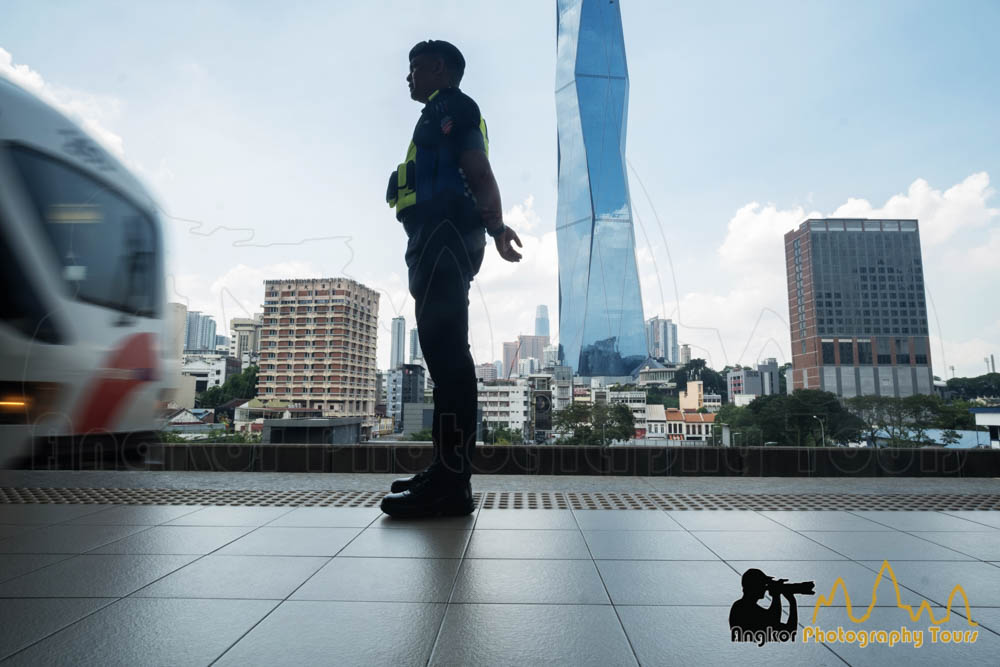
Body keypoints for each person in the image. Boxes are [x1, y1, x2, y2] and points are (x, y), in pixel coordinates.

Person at [380, 40, 522, 518]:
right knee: (444, 360)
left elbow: (477, 169)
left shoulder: (452, 106)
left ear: (439, 67)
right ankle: (445, 471)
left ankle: (451, 481)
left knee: (448, 358)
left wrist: (498, 227)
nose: (408, 77)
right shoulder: (441, 112)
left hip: (443, 237)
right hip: (436, 238)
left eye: (414, 67)